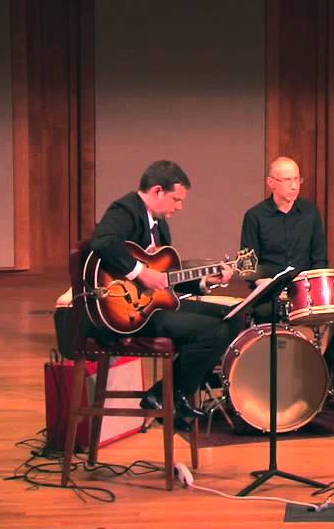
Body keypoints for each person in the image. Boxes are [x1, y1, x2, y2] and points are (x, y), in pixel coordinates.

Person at [87, 160, 235, 429]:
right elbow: (103, 241)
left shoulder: (161, 226)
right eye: (176, 199)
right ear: (157, 191)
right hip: (128, 312)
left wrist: (204, 282)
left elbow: (167, 280)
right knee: (212, 332)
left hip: (154, 307)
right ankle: (173, 395)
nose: (180, 206)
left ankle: (165, 394)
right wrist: (139, 273)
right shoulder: (126, 209)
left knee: (233, 317)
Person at [238, 156, 334, 381]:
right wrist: (260, 282)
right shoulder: (254, 216)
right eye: (287, 180)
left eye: (297, 179)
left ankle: (328, 374)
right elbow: (247, 266)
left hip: (306, 293)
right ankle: (272, 380)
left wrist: (321, 292)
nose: (294, 185)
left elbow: (320, 260)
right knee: (263, 315)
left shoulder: (310, 213)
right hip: (271, 294)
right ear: (271, 183)